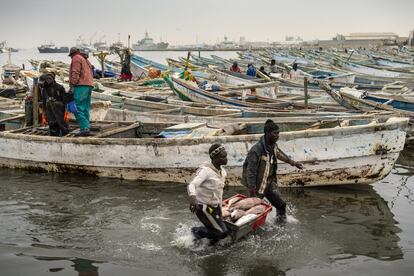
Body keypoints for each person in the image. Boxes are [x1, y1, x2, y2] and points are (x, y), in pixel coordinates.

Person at [241, 119, 303, 224]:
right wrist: (252, 190)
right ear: (267, 133)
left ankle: (280, 224)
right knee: (253, 212)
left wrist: (293, 162)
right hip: (257, 186)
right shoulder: (256, 150)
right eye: (275, 133)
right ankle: (246, 228)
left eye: (278, 133)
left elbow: (279, 154)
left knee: (281, 205)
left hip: (268, 183)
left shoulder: (273, 146)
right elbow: (250, 172)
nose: (277, 136)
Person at [188, 144, 229, 245]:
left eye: (226, 156)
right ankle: (196, 231)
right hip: (203, 207)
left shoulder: (223, 172)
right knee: (222, 232)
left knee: (219, 231)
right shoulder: (205, 171)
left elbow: (219, 192)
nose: (226, 159)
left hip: (215, 206)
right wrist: (193, 199)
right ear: (214, 158)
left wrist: (220, 206)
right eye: (222, 157)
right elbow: (191, 185)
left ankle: (210, 245)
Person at [69, 46, 94, 136]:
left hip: (81, 86)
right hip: (89, 86)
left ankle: (84, 128)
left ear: (72, 54)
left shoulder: (76, 58)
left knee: (78, 108)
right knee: (85, 108)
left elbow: (75, 72)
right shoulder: (86, 60)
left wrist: (72, 85)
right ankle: (86, 126)